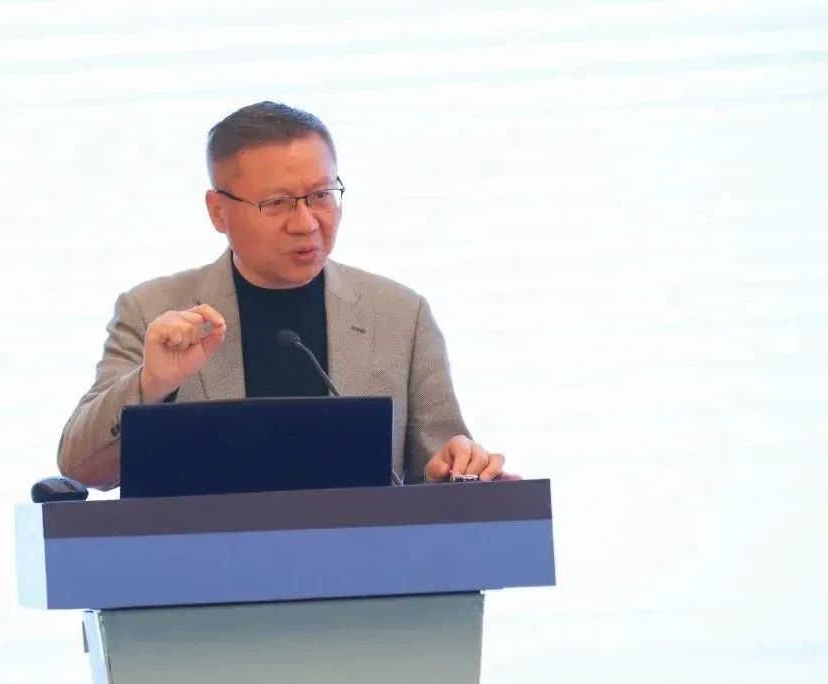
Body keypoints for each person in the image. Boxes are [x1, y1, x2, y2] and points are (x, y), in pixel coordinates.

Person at [58, 101, 515, 490]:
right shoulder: (152, 311)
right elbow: (81, 468)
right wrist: (151, 384)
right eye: (276, 203)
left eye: (321, 195)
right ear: (218, 212)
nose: (306, 222)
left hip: (360, 565)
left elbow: (442, 468)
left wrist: (457, 471)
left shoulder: (399, 315)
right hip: (204, 564)